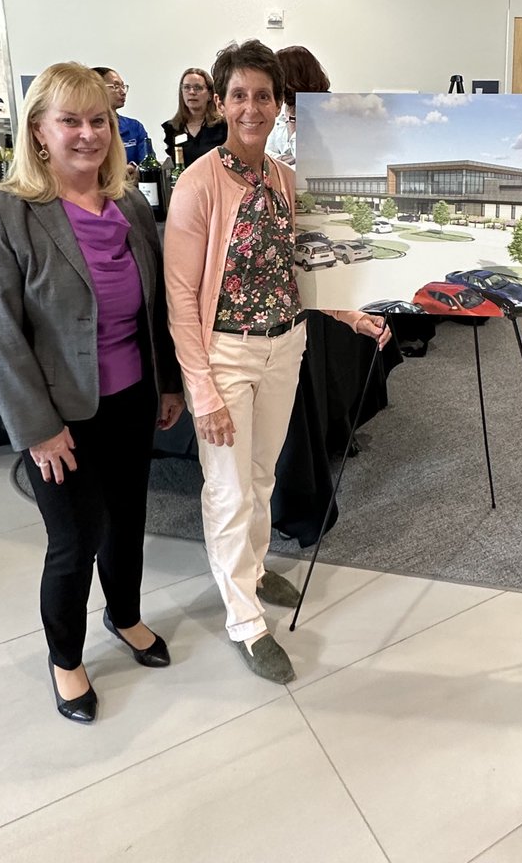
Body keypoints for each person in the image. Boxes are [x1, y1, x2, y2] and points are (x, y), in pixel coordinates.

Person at [164, 39, 389, 684]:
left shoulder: (283, 180)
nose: (252, 106)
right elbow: (181, 295)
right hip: (226, 352)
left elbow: (301, 271)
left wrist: (349, 312)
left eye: (263, 95)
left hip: (285, 343)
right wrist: (200, 388)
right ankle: (242, 617)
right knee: (229, 487)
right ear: (221, 100)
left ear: (277, 102)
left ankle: (254, 572)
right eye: (239, 95)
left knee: (261, 476)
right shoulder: (199, 182)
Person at [0, 63, 185, 724]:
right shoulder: (2, 212)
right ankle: (66, 659)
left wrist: (167, 383)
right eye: (70, 120)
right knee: (75, 540)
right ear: (39, 131)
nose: (87, 133)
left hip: (130, 400)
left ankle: (125, 616)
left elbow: (157, 310)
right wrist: (36, 428)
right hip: (58, 417)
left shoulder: (129, 205)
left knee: (126, 522)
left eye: (99, 120)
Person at [265, 45, 330, 163]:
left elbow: (307, 159)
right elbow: (266, 150)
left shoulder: (326, 110)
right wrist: (281, 159)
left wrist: (292, 120)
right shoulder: (283, 107)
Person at [162, 67, 227, 166]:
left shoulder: (223, 126)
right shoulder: (172, 128)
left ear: (210, 94)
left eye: (198, 88)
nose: (192, 92)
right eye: (187, 87)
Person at [91, 67, 150, 169]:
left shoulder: (134, 127)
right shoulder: (87, 131)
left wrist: (135, 170)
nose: (123, 92)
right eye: (116, 86)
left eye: (123, 86)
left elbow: (148, 163)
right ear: (97, 89)